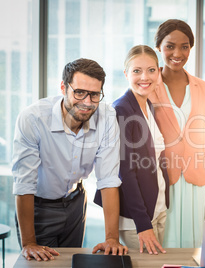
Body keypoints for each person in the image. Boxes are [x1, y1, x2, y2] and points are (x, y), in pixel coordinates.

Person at [12, 58, 128, 261]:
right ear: (63, 87)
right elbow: (24, 184)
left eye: (94, 95)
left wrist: (111, 238)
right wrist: (29, 243)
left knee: (71, 263)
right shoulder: (33, 119)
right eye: (79, 92)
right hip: (39, 207)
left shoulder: (107, 117)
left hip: (76, 203)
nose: (87, 102)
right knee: (41, 264)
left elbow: (108, 179)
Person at [148, 19, 205, 248]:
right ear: (159, 47)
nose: (177, 53)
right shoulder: (148, 85)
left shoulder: (203, 87)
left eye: (184, 46)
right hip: (162, 182)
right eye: (170, 46)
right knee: (164, 247)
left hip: (196, 183)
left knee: (194, 248)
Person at [94, 45, 169, 255]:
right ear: (126, 74)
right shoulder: (122, 110)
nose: (145, 77)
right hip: (137, 218)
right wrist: (143, 224)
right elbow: (125, 173)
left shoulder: (148, 106)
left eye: (151, 70)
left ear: (159, 72)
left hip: (157, 207)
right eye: (137, 71)